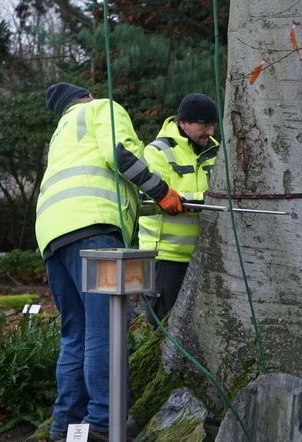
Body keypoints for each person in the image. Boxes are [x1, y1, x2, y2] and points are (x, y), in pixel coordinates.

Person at [36, 82, 184, 441]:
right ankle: (103, 422)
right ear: (86, 95)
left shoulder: (62, 132)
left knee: (75, 334)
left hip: (52, 235)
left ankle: (65, 426)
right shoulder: (102, 108)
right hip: (95, 227)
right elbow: (122, 156)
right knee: (106, 328)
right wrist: (162, 192)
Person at [138, 93, 219, 323]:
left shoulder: (216, 149)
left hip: (204, 255)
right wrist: (206, 201)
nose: (210, 132)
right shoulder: (158, 152)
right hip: (165, 256)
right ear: (183, 123)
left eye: (212, 125)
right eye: (203, 125)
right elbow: (161, 198)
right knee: (164, 328)